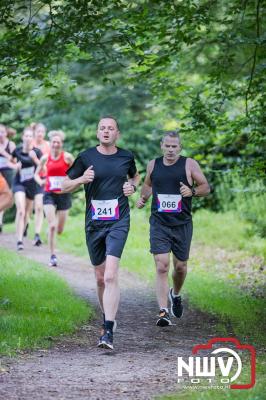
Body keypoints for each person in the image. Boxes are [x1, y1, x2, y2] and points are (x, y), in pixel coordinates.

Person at [62, 116, 140, 350]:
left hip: (119, 220)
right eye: (102, 128)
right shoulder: (86, 157)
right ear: (97, 133)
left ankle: (107, 330)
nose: (106, 132)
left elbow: (135, 176)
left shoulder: (126, 156)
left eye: (111, 128)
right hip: (94, 223)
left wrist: (133, 186)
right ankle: (107, 315)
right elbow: (63, 185)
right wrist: (81, 179)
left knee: (110, 275)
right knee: (99, 276)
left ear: (118, 133)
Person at [136, 130, 210, 326]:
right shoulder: (153, 164)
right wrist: (143, 198)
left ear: (180, 147)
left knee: (180, 267)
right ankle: (163, 311)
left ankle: (175, 294)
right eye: (167, 146)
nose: (170, 150)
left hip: (182, 224)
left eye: (174, 146)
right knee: (162, 265)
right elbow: (148, 184)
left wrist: (192, 191)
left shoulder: (189, 164)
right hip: (159, 222)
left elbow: (205, 187)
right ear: (162, 146)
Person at [34, 130, 73, 267]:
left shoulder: (67, 157)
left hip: (64, 194)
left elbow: (76, 172)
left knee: (60, 229)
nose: (56, 144)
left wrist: (69, 180)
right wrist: (40, 181)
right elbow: (36, 174)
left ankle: (52, 233)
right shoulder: (45, 158)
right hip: (49, 193)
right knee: (52, 226)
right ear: (50, 143)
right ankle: (52, 256)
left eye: (58, 142)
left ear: (61, 144)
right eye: (54, 142)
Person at [11, 127, 42, 250]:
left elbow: (43, 168)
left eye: (30, 136)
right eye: (26, 136)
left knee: (27, 213)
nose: (28, 138)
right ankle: (19, 241)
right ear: (22, 137)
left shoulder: (37, 152)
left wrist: (35, 159)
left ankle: (24, 230)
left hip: (32, 185)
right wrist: (15, 166)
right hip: (19, 183)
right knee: (21, 210)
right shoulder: (17, 151)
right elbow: (11, 162)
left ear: (33, 138)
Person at [31, 122, 50, 246]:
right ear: (35, 132)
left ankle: (37, 234)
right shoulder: (30, 144)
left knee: (39, 207)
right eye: (38, 131)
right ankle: (25, 225)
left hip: (44, 178)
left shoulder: (48, 145)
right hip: (30, 179)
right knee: (29, 208)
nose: (40, 134)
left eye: (42, 132)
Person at [0, 124, 16, 232]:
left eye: (2, 132)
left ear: (6, 133)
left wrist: (3, 152)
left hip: (8, 171)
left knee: (8, 197)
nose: (0, 135)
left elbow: (14, 160)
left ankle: (0, 219)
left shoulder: (11, 145)